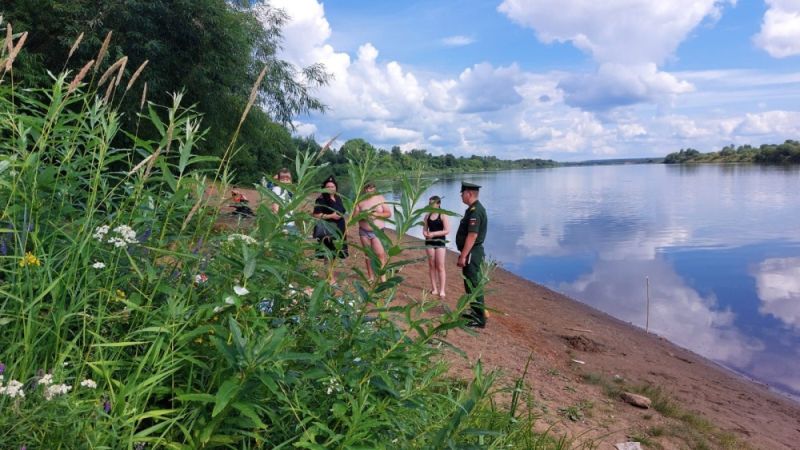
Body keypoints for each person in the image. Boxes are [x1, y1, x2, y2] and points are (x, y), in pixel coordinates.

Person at [455, 181, 488, 328]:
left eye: (462, 193)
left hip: (472, 253)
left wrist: (463, 255)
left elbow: (472, 236)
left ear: (469, 193)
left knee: (473, 285)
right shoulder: (472, 209)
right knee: (469, 284)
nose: (461, 196)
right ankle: (475, 313)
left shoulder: (476, 211)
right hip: (471, 252)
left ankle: (480, 319)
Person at [354, 181, 392, 281]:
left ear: (374, 188)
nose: (369, 190)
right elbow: (354, 217)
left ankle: (382, 278)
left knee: (380, 254)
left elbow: (388, 213)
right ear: (364, 189)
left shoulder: (380, 198)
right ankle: (371, 277)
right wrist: (363, 216)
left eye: (371, 188)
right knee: (368, 255)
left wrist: (376, 214)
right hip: (363, 231)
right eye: (366, 188)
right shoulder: (360, 200)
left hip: (377, 231)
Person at [313, 175, 348, 259]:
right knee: (328, 253)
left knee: (338, 252)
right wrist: (331, 216)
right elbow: (316, 215)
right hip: (328, 229)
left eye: (332, 186)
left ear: (336, 187)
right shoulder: (321, 199)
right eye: (328, 186)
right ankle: (327, 271)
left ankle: (332, 271)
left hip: (340, 228)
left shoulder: (338, 197)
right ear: (324, 188)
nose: (330, 188)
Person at [422, 195, 450, 298]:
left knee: (440, 266)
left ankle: (442, 290)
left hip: (440, 242)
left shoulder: (443, 215)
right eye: (429, 203)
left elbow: (447, 230)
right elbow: (424, 229)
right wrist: (426, 234)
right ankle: (434, 288)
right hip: (429, 242)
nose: (430, 205)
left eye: (432, 203)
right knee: (431, 265)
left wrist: (434, 234)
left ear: (438, 204)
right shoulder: (427, 215)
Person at [270, 168, 296, 233]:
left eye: (287, 179)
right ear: (278, 181)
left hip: (290, 223)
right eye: (282, 179)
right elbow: (275, 208)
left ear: (291, 181)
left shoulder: (290, 192)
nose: (285, 181)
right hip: (281, 223)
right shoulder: (277, 189)